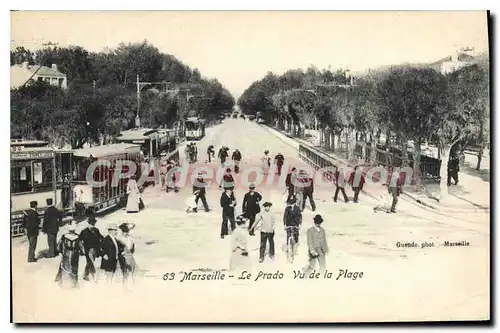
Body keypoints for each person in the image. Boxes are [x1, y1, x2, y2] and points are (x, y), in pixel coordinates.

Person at [54, 222, 85, 288]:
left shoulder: (64, 237)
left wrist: (60, 251)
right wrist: (82, 252)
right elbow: (82, 247)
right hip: (75, 255)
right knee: (74, 268)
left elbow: (59, 246)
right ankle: (74, 283)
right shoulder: (78, 237)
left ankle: (64, 283)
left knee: (65, 267)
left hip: (66, 254)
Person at [79, 214, 103, 282]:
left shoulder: (96, 230)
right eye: (91, 223)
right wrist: (82, 249)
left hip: (95, 249)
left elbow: (101, 237)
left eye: (93, 223)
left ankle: (85, 275)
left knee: (90, 262)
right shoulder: (84, 232)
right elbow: (80, 241)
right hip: (88, 250)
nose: (92, 225)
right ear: (88, 223)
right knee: (91, 262)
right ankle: (94, 277)